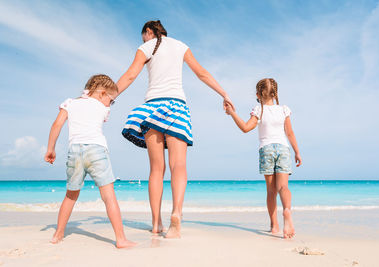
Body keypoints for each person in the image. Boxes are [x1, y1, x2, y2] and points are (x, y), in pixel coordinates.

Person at [116, 20, 234, 238]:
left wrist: (109, 98)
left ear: (148, 32)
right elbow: (202, 73)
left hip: (153, 107)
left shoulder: (146, 47)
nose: (143, 39)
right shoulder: (180, 45)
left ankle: (155, 223)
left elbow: (130, 75)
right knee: (178, 165)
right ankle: (177, 213)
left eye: (143, 35)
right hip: (177, 107)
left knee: (156, 169)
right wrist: (224, 94)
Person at [44, 74, 136, 248]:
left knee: (71, 195)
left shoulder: (69, 103)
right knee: (109, 196)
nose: (111, 104)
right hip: (96, 150)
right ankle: (121, 239)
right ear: (101, 93)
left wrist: (51, 149)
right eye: (111, 99)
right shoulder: (103, 109)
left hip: (75, 152)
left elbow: (57, 125)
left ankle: (58, 234)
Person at [224, 78, 302, 239]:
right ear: (276, 93)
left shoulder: (259, 110)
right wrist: (297, 152)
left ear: (258, 94)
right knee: (283, 187)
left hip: (266, 149)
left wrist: (232, 113)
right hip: (283, 149)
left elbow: (245, 128)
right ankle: (287, 210)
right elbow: (290, 133)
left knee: (271, 191)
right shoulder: (284, 110)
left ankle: (274, 226)